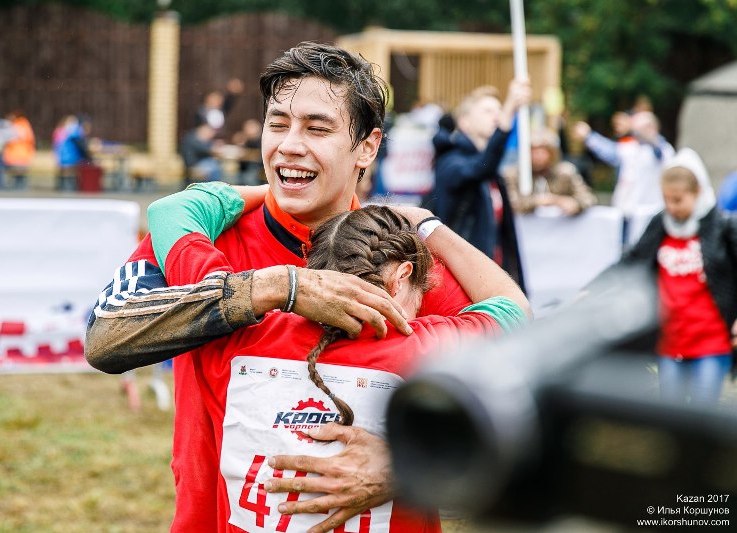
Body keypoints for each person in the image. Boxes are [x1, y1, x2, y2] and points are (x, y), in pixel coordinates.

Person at [85, 42, 530, 532]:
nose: (290, 145)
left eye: (317, 128)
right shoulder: (201, 238)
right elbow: (106, 340)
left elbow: (515, 398)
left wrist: (406, 462)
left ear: (368, 147)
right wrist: (278, 287)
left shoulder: (406, 261)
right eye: (277, 124)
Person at [143, 185, 527, 531]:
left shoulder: (231, 334)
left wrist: (271, 191)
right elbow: (514, 307)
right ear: (401, 277)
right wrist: (427, 224)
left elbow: (170, 212)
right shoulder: (425, 350)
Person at [589, 148, 737, 404]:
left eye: (678, 200)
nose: (672, 207)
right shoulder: (661, 224)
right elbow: (632, 260)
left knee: (702, 410)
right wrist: (594, 288)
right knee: (670, 407)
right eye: (667, 199)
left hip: (711, 341)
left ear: (697, 192)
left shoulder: (721, 226)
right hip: (671, 342)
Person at [427, 81, 531, 288]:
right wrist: (509, 112)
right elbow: (480, 168)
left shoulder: (492, 172)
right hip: (463, 278)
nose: (496, 116)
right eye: (487, 111)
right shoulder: (450, 162)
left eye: (499, 110)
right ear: (464, 122)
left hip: (493, 272)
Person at [573, 111, 675, 220]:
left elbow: (658, 150)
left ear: (652, 128)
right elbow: (609, 151)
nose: (635, 133)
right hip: (627, 210)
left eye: (638, 129)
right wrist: (588, 136)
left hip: (652, 211)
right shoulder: (632, 147)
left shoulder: (663, 150)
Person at [502, 129, 597, 216]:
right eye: (533, 152)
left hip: (560, 227)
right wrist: (538, 201)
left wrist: (575, 204)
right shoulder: (513, 174)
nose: (537, 156)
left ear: (552, 154)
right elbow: (510, 203)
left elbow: (588, 198)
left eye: (542, 152)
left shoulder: (565, 173)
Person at [56, 114, 93, 190]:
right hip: (70, 159)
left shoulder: (69, 131)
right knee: (87, 164)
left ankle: (68, 186)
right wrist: (89, 158)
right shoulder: (75, 132)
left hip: (64, 158)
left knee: (86, 162)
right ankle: (79, 186)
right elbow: (82, 148)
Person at [1, 110, 35, 189]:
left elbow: (19, 137)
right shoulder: (19, 125)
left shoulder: (20, 125)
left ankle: (19, 188)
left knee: (19, 174)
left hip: (19, 154)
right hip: (17, 154)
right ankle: (18, 186)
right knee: (17, 174)